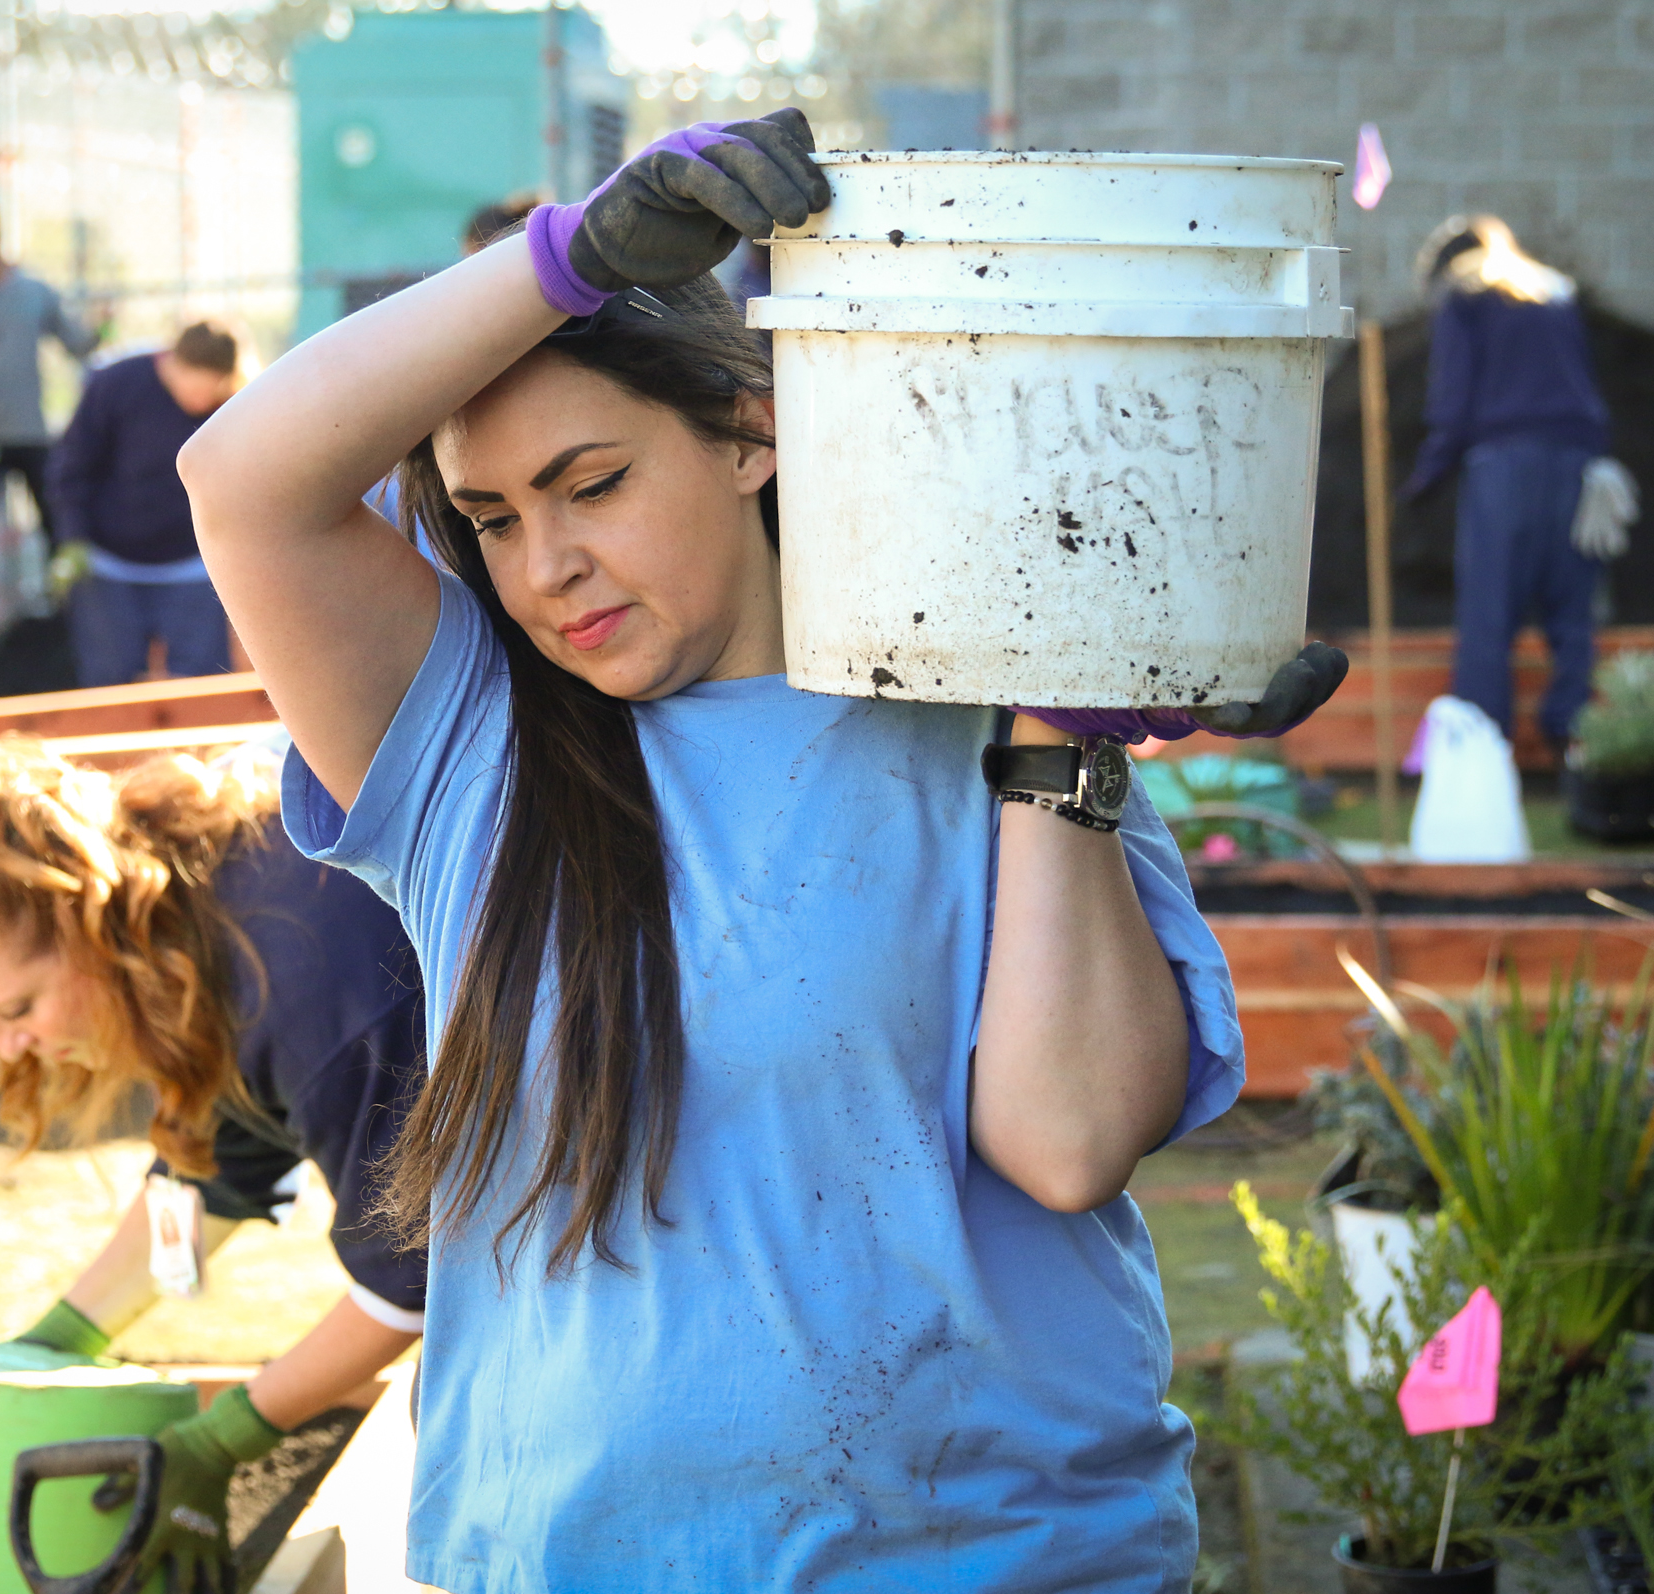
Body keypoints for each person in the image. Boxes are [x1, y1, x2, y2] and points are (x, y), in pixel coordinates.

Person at [175, 109, 1347, 1590]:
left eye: (591, 485)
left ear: (747, 433)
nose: (547, 567)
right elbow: (243, 480)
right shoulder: (472, 750)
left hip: (1007, 1557)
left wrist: (1063, 745)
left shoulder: (989, 717)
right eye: (491, 517)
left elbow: (1068, 1142)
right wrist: (567, 256)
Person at [0, 736, 427, 1592]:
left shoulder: (305, 978)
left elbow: (420, 1279)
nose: (9, 1044)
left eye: (17, 1006)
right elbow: (218, 1171)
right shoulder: (194, 917)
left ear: (94, 922)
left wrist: (229, 1436)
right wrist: (60, 1340)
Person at [1401, 214, 1632, 755]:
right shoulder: (1553, 293)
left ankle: (1484, 745)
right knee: (1571, 609)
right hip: (1579, 464)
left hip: (1503, 467)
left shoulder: (1467, 294)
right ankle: (1576, 741)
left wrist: (1426, 477)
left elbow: (1453, 400)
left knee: (1490, 610)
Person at [50, 319, 250, 688]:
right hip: (110, 562)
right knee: (109, 681)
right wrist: (73, 537)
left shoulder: (239, 406)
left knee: (201, 681)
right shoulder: (116, 384)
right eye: (190, 384)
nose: (198, 399)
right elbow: (73, 466)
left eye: (209, 389)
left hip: (195, 567)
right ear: (170, 362)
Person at [0, 208, 101, 644]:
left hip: (30, 432)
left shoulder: (34, 294)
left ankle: (71, 625)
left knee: (57, 527)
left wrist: (102, 323)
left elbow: (76, 344)